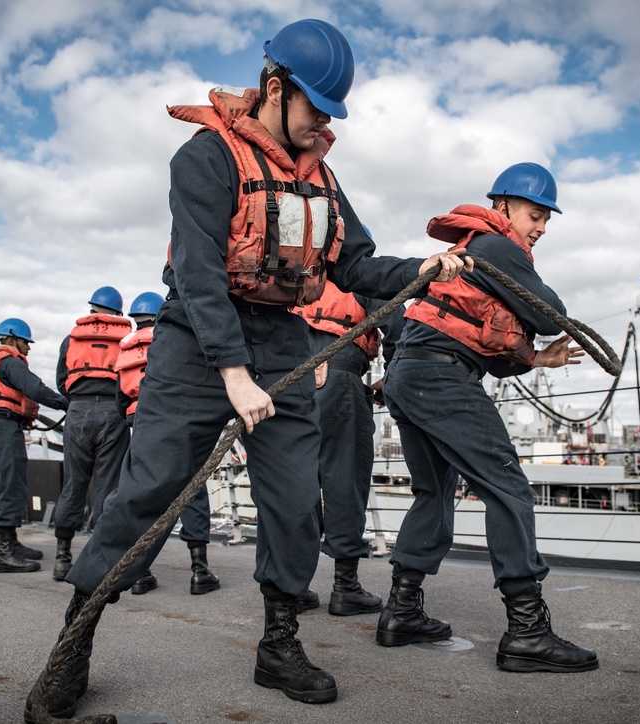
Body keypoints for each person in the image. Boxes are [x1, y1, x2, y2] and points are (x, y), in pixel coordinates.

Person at [26, 19, 468, 720]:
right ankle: (72, 645)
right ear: (273, 87)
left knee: (297, 503)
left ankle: (278, 643)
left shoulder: (320, 174)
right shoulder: (206, 157)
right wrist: (232, 372)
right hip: (196, 343)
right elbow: (199, 273)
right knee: (147, 493)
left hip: (283, 339)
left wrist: (422, 269)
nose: (324, 121)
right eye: (315, 105)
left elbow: (353, 264)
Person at [375, 162, 598, 673]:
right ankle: (527, 631)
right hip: (440, 380)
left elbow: (479, 341)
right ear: (502, 208)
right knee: (507, 487)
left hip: (411, 377)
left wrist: (538, 360)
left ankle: (402, 611)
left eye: (547, 220)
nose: (540, 227)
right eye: (534, 214)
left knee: (433, 492)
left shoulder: (470, 253)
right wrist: (540, 334)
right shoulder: (495, 248)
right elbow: (547, 314)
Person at [295, 278, 404, 616]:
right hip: (341, 381)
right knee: (345, 479)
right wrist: (392, 373)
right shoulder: (360, 279)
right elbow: (397, 322)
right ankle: (345, 587)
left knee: (296, 484)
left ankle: (291, 587)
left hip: (290, 382)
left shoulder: (299, 280)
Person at [117, 291, 221, 597]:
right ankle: (199, 572)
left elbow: (119, 398)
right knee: (193, 493)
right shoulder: (176, 335)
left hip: (142, 422)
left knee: (144, 495)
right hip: (183, 418)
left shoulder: (126, 349)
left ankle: (138, 574)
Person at [0, 318, 68, 573]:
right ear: (12, 338)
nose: (28, 347)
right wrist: (65, 402)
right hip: (3, 428)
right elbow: (34, 387)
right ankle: (5, 552)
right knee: (12, 487)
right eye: (26, 341)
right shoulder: (10, 362)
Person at [52, 287, 133, 582]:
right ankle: (100, 561)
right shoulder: (124, 339)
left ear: (91, 309)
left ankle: (62, 558)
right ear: (118, 314)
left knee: (73, 485)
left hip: (78, 413)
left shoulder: (71, 339)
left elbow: (62, 381)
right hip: (114, 412)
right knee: (107, 488)